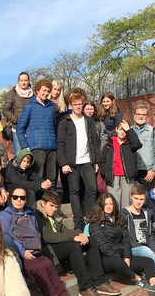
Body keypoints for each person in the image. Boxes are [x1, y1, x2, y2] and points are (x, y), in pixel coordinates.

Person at [36, 190, 121, 296]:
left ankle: (100, 282)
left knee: (91, 241)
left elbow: (66, 230)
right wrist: (74, 237)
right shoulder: (38, 215)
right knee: (74, 245)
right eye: (51, 206)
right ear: (43, 203)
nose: (54, 209)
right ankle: (85, 287)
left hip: (61, 245)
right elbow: (48, 237)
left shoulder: (53, 215)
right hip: (51, 250)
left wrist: (81, 235)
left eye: (56, 207)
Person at [88, 194, 155, 294]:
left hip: (122, 258)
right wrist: (121, 259)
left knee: (148, 261)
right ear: (101, 206)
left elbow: (125, 240)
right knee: (117, 262)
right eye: (106, 204)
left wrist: (127, 257)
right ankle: (138, 279)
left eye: (111, 204)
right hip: (106, 259)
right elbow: (104, 247)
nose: (109, 206)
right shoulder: (95, 224)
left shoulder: (118, 220)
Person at [0, 185, 69, 296]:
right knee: (39, 267)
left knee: (47, 262)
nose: (19, 200)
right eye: (15, 197)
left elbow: (36, 233)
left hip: (34, 252)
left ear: (26, 199)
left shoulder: (31, 214)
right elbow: (7, 237)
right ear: (10, 198)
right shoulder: (4, 215)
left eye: (22, 198)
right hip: (17, 256)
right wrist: (23, 252)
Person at [57, 92, 100, 231]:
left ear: (83, 104)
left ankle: (90, 218)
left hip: (87, 161)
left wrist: (96, 161)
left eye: (79, 104)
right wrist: (63, 163)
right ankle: (78, 220)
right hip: (71, 163)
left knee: (92, 189)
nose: (77, 107)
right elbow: (60, 143)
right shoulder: (65, 122)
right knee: (74, 191)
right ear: (70, 105)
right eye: (74, 104)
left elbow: (94, 142)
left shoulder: (89, 121)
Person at [16, 78, 58, 187]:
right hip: (37, 148)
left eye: (48, 91)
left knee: (52, 177)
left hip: (52, 148)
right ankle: (39, 202)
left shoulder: (51, 107)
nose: (46, 93)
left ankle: (51, 201)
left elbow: (54, 125)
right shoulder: (29, 107)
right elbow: (20, 128)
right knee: (39, 178)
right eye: (44, 90)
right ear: (37, 90)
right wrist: (25, 146)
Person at [99, 119, 142, 209]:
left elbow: (138, 144)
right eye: (121, 129)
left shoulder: (129, 144)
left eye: (125, 130)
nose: (123, 132)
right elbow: (102, 161)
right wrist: (106, 172)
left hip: (127, 178)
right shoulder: (109, 145)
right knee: (114, 203)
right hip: (113, 178)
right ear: (116, 129)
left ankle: (126, 221)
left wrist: (129, 130)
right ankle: (114, 222)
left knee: (126, 203)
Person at [131, 104, 155, 190]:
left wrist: (154, 170)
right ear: (134, 115)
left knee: (148, 199)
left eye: (143, 115)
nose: (141, 116)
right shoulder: (129, 131)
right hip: (131, 171)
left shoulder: (153, 131)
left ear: (147, 116)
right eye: (138, 114)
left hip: (147, 172)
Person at [3, 72, 33, 157]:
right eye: (21, 80)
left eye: (25, 80)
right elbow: (5, 110)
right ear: (18, 81)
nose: (23, 82)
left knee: (30, 155)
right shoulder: (12, 94)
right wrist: (16, 119)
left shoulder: (33, 94)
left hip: (30, 129)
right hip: (17, 129)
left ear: (28, 81)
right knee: (19, 155)